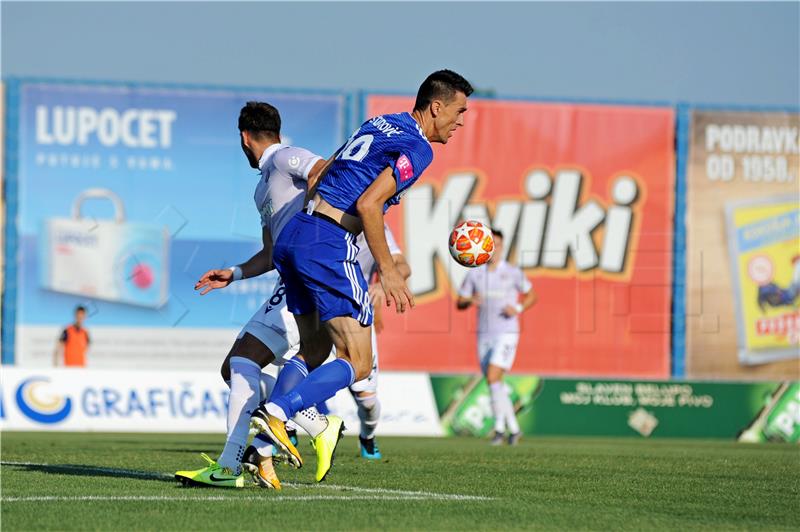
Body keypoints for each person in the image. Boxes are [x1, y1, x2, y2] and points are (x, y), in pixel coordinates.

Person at [250, 70, 473, 467]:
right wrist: (387, 269)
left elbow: (329, 169)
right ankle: (277, 414)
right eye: (459, 111)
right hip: (327, 242)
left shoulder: (378, 124)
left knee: (314, 349)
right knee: (358, 362)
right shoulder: (419, 148)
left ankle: (262, 452)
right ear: (436, 107)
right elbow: (370, 205)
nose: (461, 121)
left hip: (298, 233)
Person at [175, 101, 343, 489]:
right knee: (232, 369)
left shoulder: (285, 158)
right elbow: (270, 252)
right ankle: (312, 420)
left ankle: (229, 466)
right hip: (290, 282)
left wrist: (310, 235)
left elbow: (323, 170)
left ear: (244, 137)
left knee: (243, 361)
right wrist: (234, 273)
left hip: (307, 277)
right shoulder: (261, 189)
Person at [455, 229, 537, 445]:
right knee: (495, 383)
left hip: (507, 331)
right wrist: (470, 300)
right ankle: (514, 430)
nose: (495, 249)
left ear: (501, 247)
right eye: (491, 245)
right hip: (484, 333)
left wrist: (518, 307)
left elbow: (532, 295)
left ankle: (499, 429)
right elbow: (460, 302)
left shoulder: (512, 272)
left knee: (492, 377)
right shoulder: (474, 273)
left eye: (498, 245)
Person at [350, 224, 410, 459]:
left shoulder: (376, 226)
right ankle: (281, 432)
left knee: (367, 401)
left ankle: (367, 436)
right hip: (316, 313)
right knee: (299, 372)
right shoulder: (320, 212)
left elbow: (402, 265)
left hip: (356, 315)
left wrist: (384, 283)